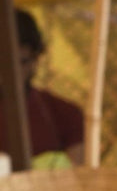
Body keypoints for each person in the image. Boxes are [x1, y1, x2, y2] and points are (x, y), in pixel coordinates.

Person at [0, 9, 84, 165]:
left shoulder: (64, 114)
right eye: (4, 62)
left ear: (36, 58)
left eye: (22, 62)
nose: (11, 72)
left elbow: (80, 180)